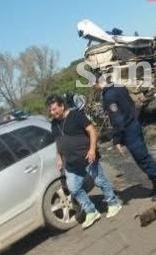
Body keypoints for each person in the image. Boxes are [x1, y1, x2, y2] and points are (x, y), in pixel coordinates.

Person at [45, 95, 122, 229]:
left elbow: (92, 131)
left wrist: (92, 150)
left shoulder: (76, 116)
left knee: (99, 181)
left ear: (62, 106)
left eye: (54, 109)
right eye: (50, 110)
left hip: (87, 157)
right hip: (71, 163)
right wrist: (58, 157)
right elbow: (59, 142)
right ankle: (91, 211)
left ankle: (113, 203)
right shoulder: (54, 124)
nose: (52, 113)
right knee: (74, 188)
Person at [95, 78, 156, 201]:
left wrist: (117, 140)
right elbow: (131, 105)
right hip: (134, 124)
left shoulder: (109, 96)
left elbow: (117, 120)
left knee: (142, 158)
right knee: (143, 156)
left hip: (128, 130)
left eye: (94, 84)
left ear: (98, 83)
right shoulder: (119, 87)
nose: (94, 87)